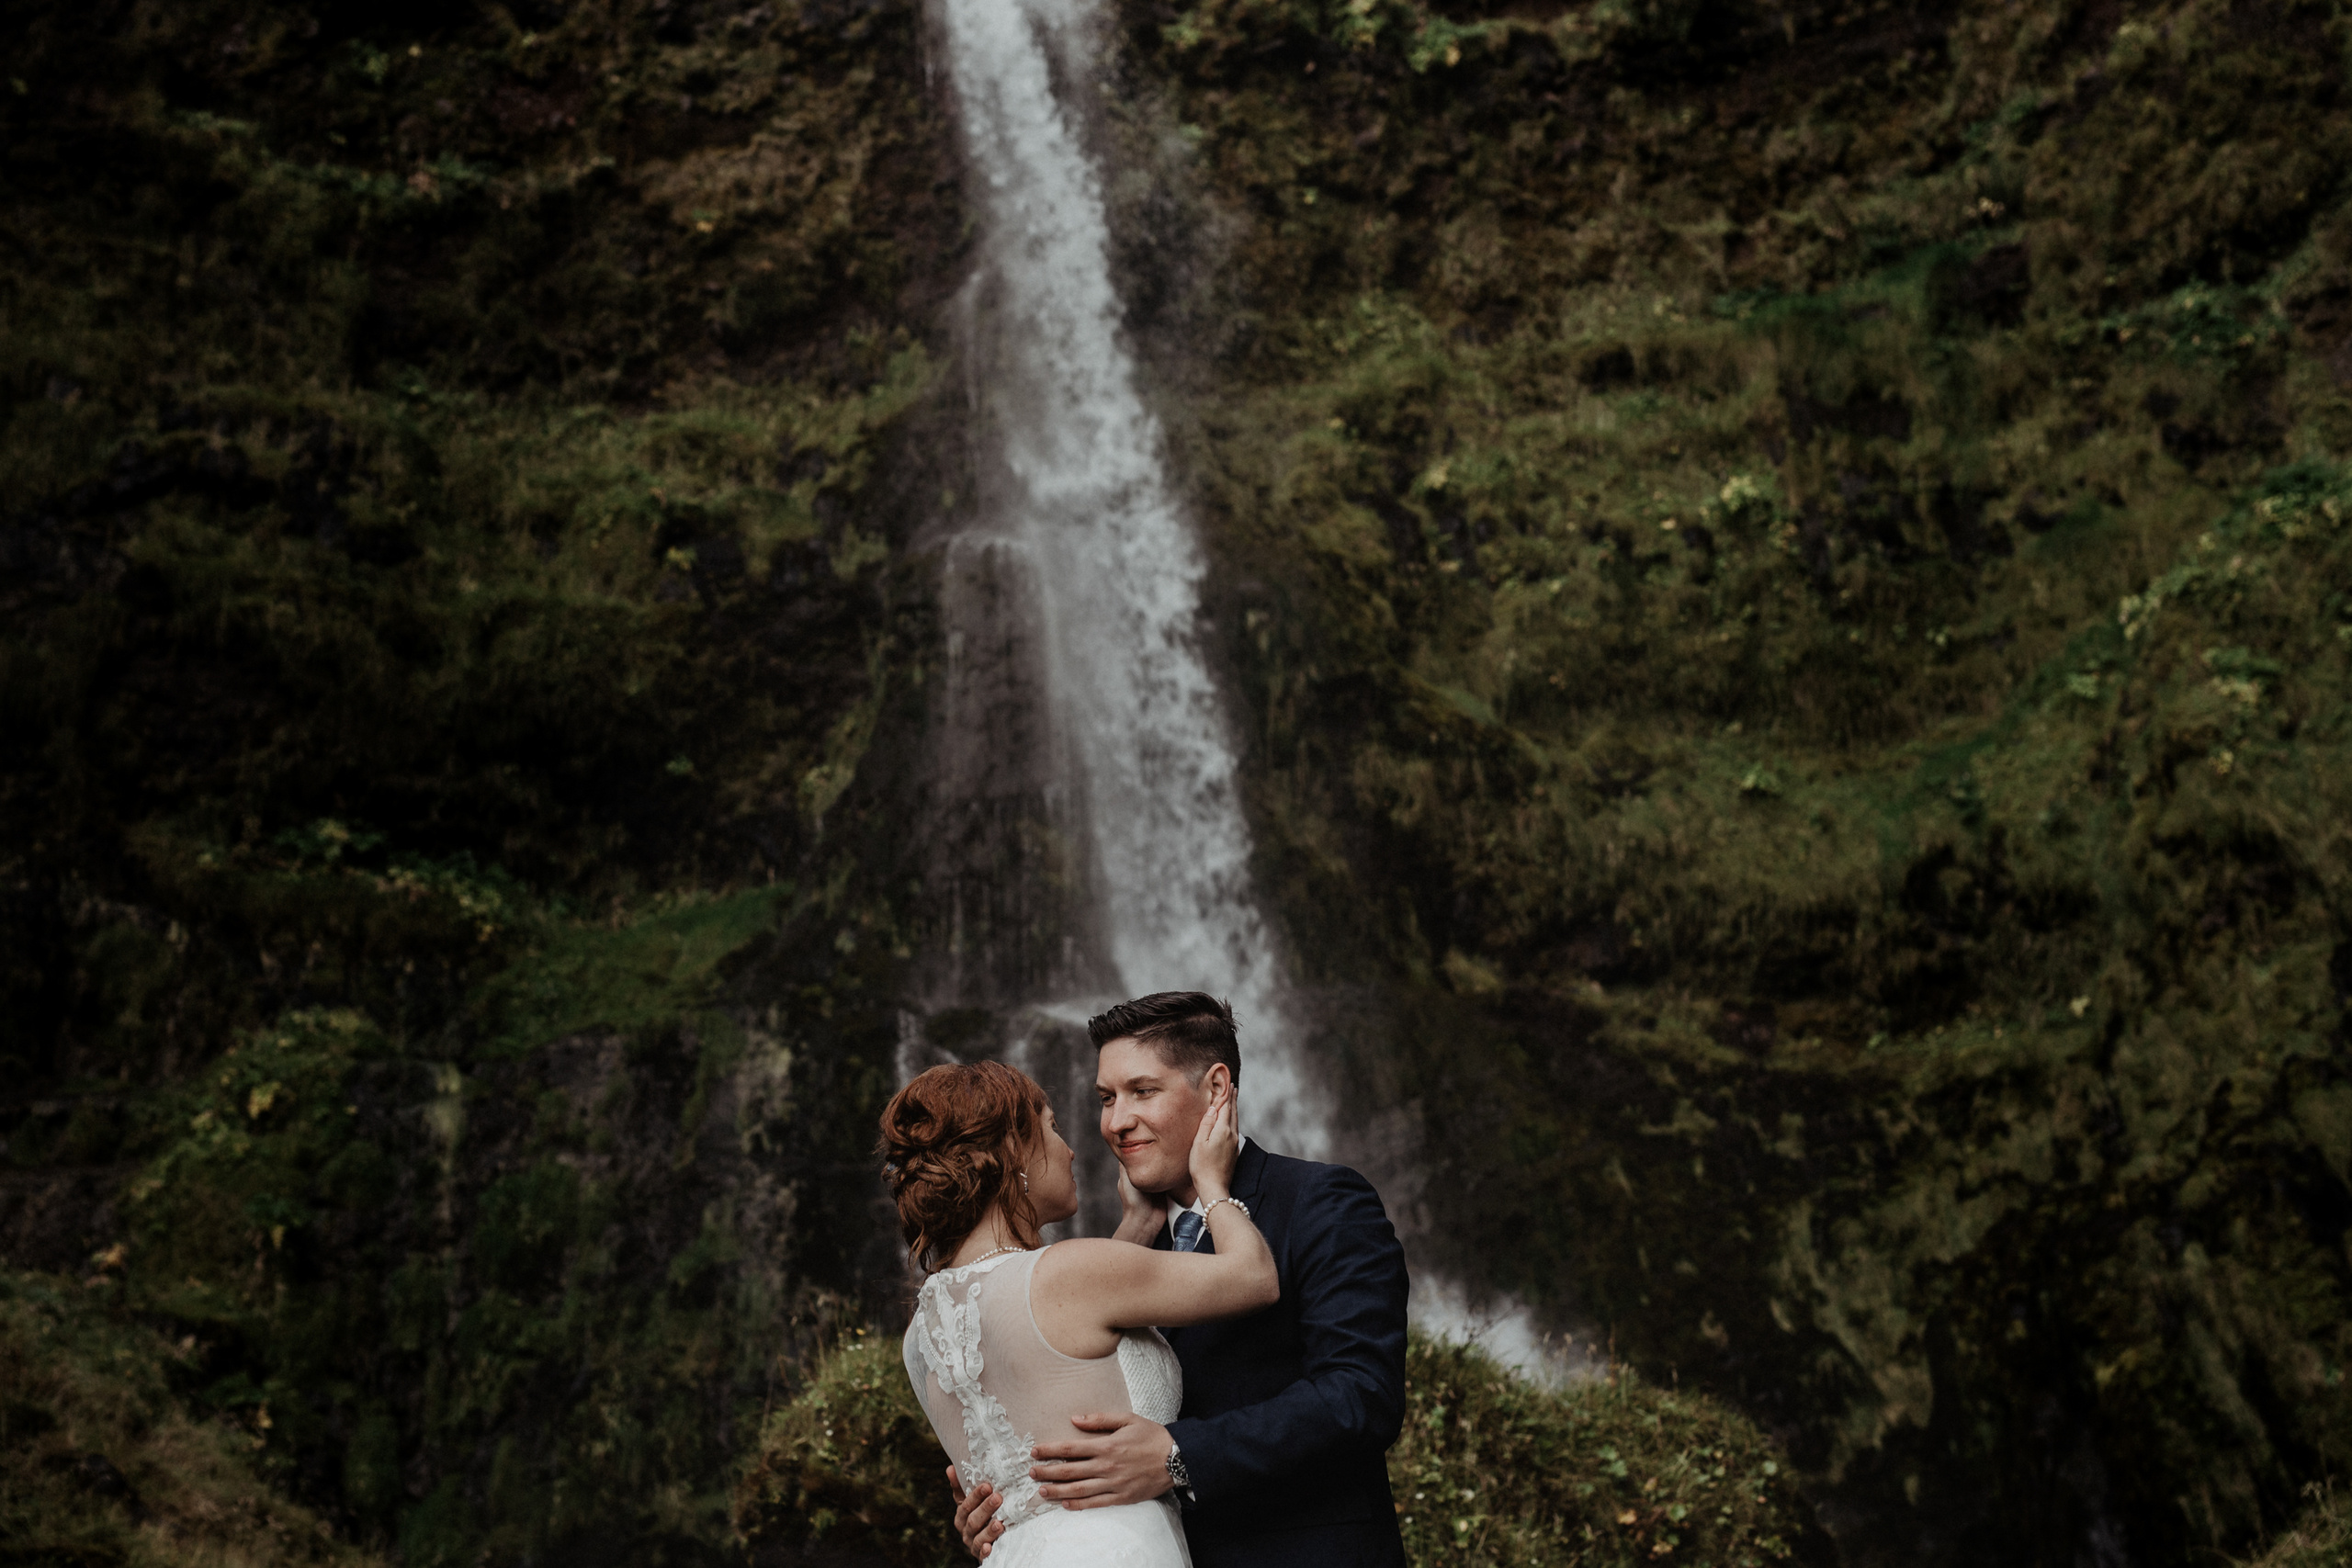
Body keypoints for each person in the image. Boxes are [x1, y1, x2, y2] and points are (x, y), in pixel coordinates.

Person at [950, 992, 1411, 1568]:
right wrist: (1010, 1509)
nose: (1117, 1122)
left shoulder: (1321, 1202)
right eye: (1105, 1098)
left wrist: (1178, 1454)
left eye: (1143, 1092)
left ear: (1217, 1089)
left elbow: (1361, 1395)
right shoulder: (1121, 1249)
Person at [885, 1055, 1279, 1568]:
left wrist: (1136, 1226)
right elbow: (1254, 1277)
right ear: (1012, 1150)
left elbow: (1068, 1351)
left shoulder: (920, 1334)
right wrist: (1213, 1185)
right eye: (1051, 1128)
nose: (1071, 1151)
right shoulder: (1072, 1273)